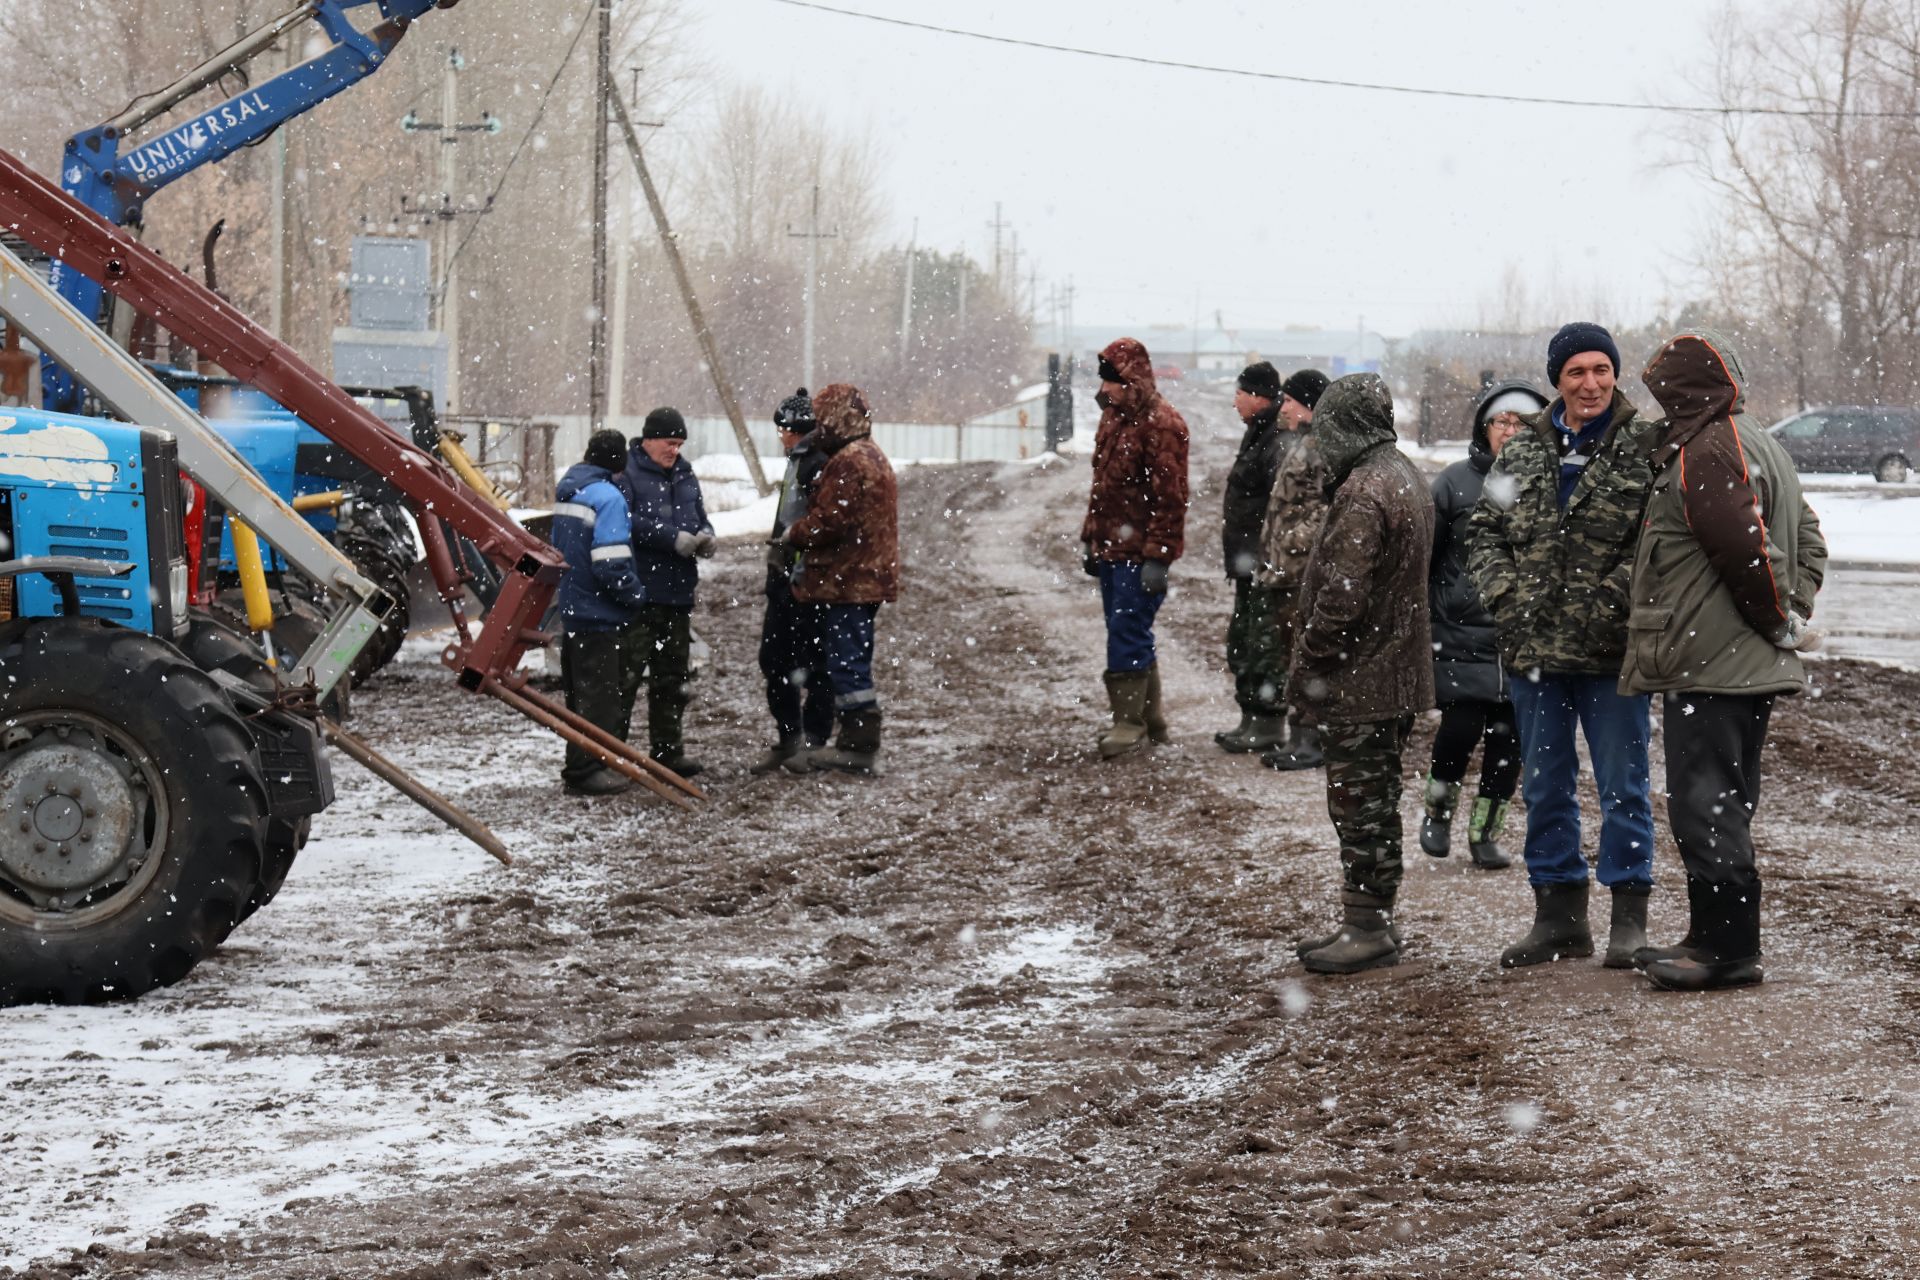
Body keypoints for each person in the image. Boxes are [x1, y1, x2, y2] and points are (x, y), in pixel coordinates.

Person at [1622, 330, 1826, 991]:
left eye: (1666, 395)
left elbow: (1745, 551)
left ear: (1687, 392)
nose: (1661, 408)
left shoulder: (1708, 449)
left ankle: (1728, 950)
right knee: (1721, 801)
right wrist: (1790, 615)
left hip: (1713, 664)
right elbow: (1810, 539)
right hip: (1732, 663)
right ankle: (1711, 935)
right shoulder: (1757, 441)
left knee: (1705, 803)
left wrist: (1776, 619)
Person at [1468, 322, 1657, 969]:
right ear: (1558, 381)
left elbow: (1656, 547)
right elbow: (1483, 531)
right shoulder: (1518, 455)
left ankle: (1628, 921)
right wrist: (1505, 599)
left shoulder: (1646, 449)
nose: (1591, 383)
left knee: (1623, 788)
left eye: (1601, 370)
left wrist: (1611, 603)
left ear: (1616, 374)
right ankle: (1558, 916)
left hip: (1613, 658)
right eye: (1576, 372)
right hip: (1534, 658)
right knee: (1546, 787)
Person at [1285, 373, 1435, 975]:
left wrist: (1309, 662)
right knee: (1375, 800)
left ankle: (1367, 926)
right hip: (1392, 674)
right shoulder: (1401, 474)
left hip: (1362, 681)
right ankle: (1371, 918)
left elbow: (1341, 598)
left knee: (1359, 803)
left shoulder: (1364, 490)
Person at [1418, 381, 1545, 869]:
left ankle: (1486, 832)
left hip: (1520, 633)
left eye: (1520, 423)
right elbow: (1427, 559)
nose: (1510, 432)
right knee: (1460, 728)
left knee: (1509, 741)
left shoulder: (1546, 481)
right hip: (1461, 631)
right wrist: (1437, 609)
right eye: (1501, 422)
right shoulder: (1453, 483)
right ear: (1484, 428)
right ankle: (1438, 813)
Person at [1080, 337, 1190, 758]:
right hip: (1111, 550)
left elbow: (1171, 498)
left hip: (1139, 554)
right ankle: (1150, 721)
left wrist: (1158, 557)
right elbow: (1101, 488)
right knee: (1126, 630)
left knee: (1128, 631)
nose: (1104, 389)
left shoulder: (1164, 425)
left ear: (1132, 380)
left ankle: (1129, 723)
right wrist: (1092, 538)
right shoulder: (1113, 419)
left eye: (1112, 381)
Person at [783, 383, 899, 775]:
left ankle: (859, 742)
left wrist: (794, 533)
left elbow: (829, 521)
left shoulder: (849, 461)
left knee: (846, 660)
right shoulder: (872, 455)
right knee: (854, 657)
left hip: (850, 579)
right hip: (866, 576)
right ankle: (856, 738)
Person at [617, 406, 715, 778]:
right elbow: (624, 520)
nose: (674, 450)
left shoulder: (686, 475)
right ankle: (613, 752)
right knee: (626, 678)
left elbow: (700, 516)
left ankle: (668, 751)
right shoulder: (626, 473)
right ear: (649, 439)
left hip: (677, 594)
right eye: (669, 443)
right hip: (642, 594)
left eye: (679, 444)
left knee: (672, 679)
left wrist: (707, 535)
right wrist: (670, 538)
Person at [551, 429, 649, 796]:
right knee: (602, 697)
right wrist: (635, 595)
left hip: (573, 608)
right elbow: (610, 563)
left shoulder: (570, 491)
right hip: (599, 613)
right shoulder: (608, 498)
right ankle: (587, 769)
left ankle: (580, 764)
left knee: (579, 695)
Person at [752, 389, 834, 775]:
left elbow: (819, 526)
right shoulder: (800, 461)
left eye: (783, 429)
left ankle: (809, 742)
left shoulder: (814, 464)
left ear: (794, 429)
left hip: (804, 584)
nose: (780, 437)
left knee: (812, 665)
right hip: (787, 579)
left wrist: (796, 569)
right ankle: (792, 739)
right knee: (777, 662)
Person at [1255, 368, 1332, 771]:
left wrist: (1292, 541)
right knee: (1291, 654)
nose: (1282, 407)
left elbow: (1327, 506)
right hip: (1286, 570)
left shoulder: (1323, 446)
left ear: (1309, 405)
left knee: (1305, 656)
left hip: (1301, 572)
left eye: (1290, 401)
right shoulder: (1305, 442)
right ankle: (1299, 735)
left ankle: (1310, 739)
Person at [1216, 361, 1292, 754]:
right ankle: (1251, 718)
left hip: (1265, 565)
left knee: (1264, 645)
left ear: (1259, 397)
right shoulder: (1258, 434)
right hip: (1249, 564)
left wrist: (1268, 559)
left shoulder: (1276, 441)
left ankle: (1268, 722)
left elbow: (1283, 507)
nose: (1235, 402)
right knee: (1243, 641)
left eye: (1240, 394)